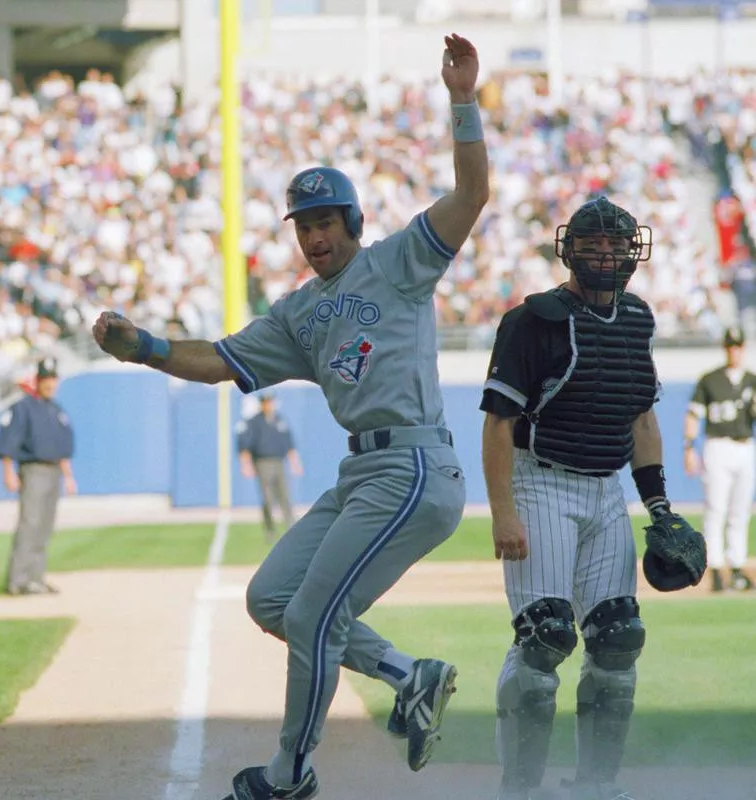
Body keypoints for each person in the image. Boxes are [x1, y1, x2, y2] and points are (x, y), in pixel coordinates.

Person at [92, 31, 488, 800]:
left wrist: (463, 101)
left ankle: (290, 773)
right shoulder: (299, 315)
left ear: (351, 221)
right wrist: (143, 345)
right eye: (303, 226)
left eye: (324, 222)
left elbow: (471, 195)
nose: (313, 237)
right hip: (363, 471)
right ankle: (411, 676)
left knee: (312, 614)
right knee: (271, 599)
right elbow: (217, 359)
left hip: (412, 464)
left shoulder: (399, 260)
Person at [480, 196, 696, 800]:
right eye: (593, 242)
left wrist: (658, 508)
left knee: (618, 636)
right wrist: (503, 511)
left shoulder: (637, 319)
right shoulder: (534, 321)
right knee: (545, 637)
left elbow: (642, 421)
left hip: (605, 491)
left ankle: (597, 785)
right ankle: (519, 788)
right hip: (540, 481)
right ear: (569, 249)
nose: (606, 252)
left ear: (633, 251)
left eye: (616, 243)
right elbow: (498, 425)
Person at [0, 358, 77, 596]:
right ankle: (17, 580)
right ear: (38, 381)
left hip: (54, 472)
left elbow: (63, 448)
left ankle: (36, 578)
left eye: (53, 378)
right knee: (29, 524)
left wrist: (69, 477)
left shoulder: (57, 410)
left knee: (45, 526)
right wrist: (8, 472)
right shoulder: (23, 407)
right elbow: (9, 441)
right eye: (46, 379)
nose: (50, 383)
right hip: (33, 470)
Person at [684, 325, 756, 592]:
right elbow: (693, 414)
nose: (734, 351)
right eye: (730, 346)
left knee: (740, 510)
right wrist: (689, 447)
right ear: (725, 348)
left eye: (737, 346)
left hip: (745, 445)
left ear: (743, 349)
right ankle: (714, 568)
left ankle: (736, 567)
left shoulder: (751, 380)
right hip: (717, 445)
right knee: (715, 508)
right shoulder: (710, 379)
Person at [237, 391, 303, 542]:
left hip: (279, 461)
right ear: (262, 404)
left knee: (284, 495)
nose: (269, 405)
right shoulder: (254, 422)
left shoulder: (279, 420)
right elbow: (245, 444)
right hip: (263, 462)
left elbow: (289, 443)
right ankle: (270, 529)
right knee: (267, 498)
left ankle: (291, 527)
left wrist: (295, 462)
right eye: (266, 402)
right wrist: (246, 464)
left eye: (271, 401)